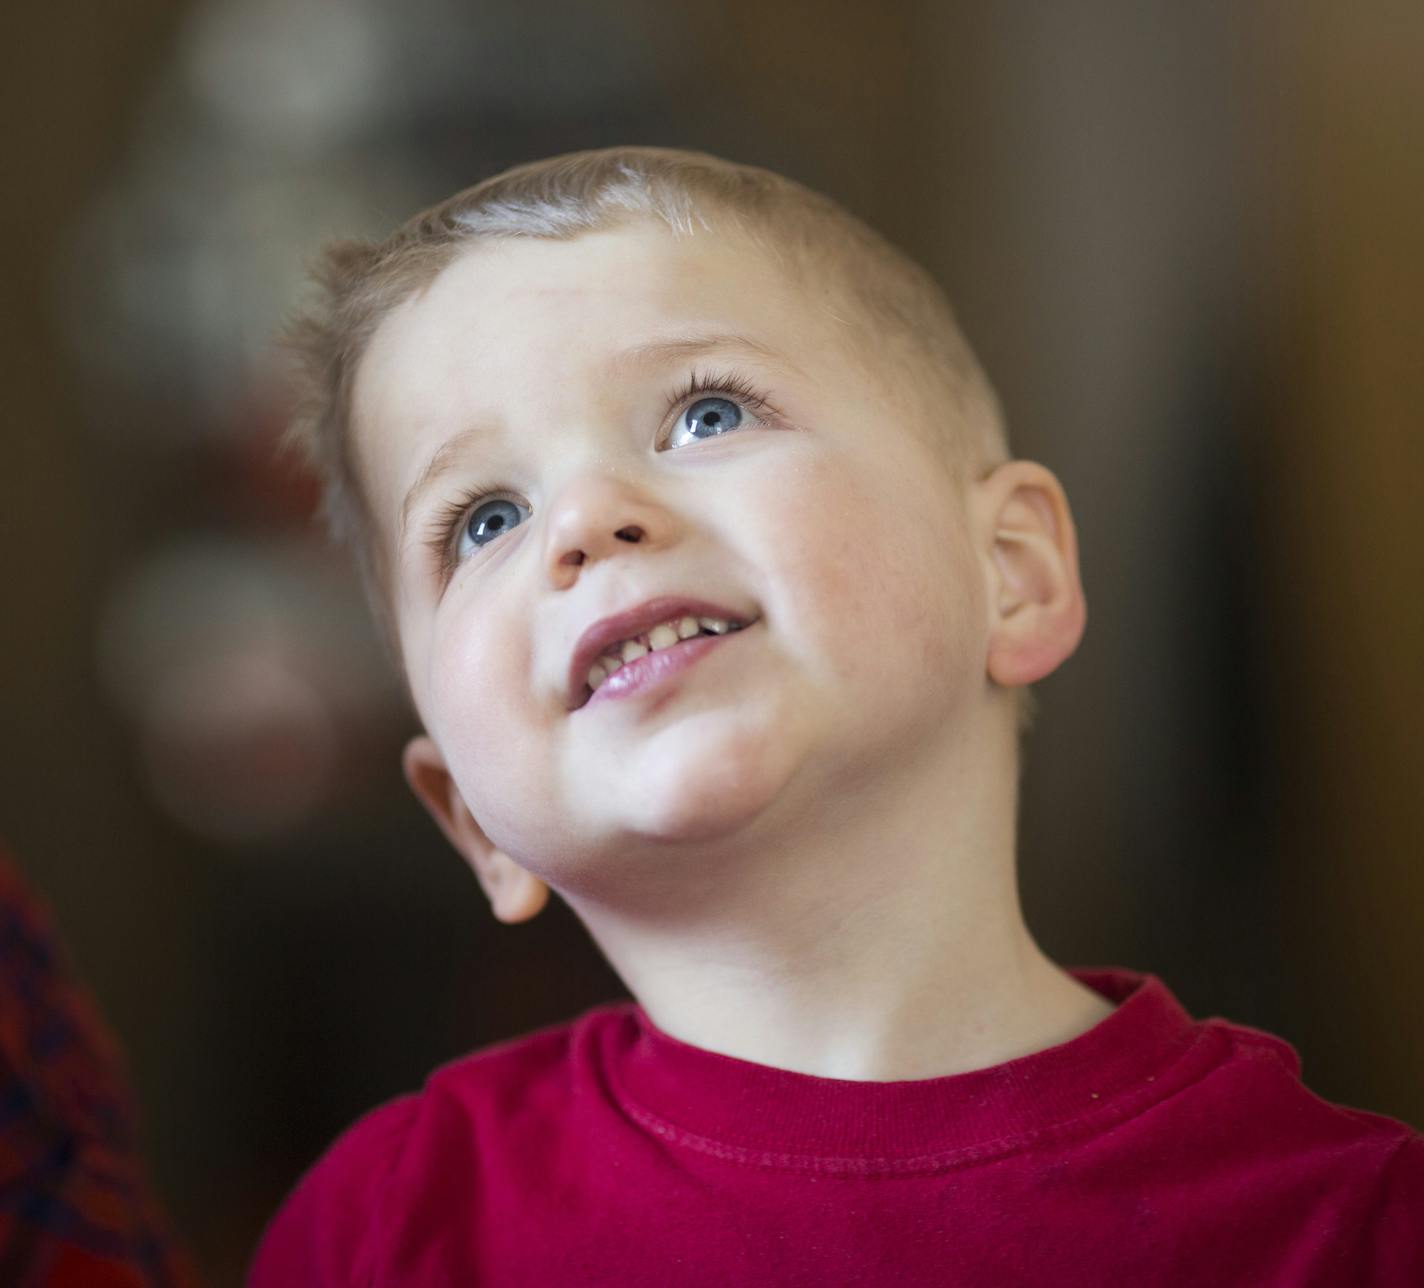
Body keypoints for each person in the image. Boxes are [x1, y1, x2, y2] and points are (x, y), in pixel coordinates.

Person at [249, 147, 1422, 1285]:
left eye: (705, 415)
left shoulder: (1355, 1228)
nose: (585, 519)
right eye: (484, 519)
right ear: (471, 822)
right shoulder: (386, 1226)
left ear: (1007, 573)